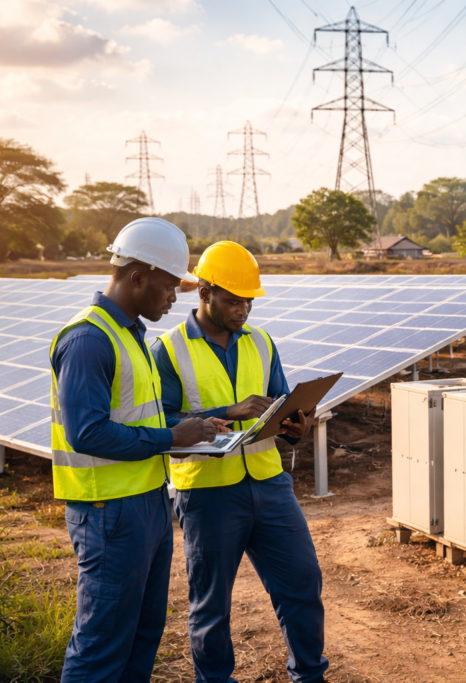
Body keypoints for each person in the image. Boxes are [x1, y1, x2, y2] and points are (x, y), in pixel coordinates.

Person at [150, 240, 327, 683]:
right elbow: (159, 423)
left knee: (303, 583)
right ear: (204, 292)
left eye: (249, 301)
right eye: (232, 300)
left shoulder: (262, 342)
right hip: (208, 493)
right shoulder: (169, 350)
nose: (243, 309)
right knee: (211, 604)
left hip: (270, 484)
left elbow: (282, 405)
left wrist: (297, 427)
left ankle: (310, 674)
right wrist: (229, 411)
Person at [50, 217, 217, 683]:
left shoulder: (131, 335)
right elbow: (87, 433)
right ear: (137, 277)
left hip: (146, 501)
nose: (175, 297)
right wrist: (171, 438)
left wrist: (197, 425)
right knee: (102, 644)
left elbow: (137, 418)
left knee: (143, 632)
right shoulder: (88, 339)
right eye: (168, 286)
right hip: (107, 511)